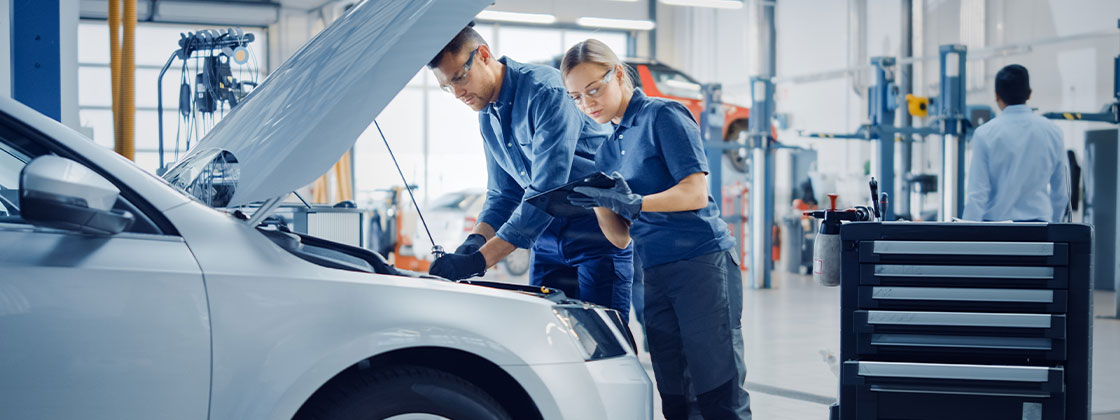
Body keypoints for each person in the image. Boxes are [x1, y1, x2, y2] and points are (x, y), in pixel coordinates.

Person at [561, 39, 751, 419]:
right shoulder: (607, 150)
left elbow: (695, 192)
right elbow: (620, 236)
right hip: (655, 271)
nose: (588, 104)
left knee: (716, 384)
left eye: (594, 90)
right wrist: (596, 200)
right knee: (674, 390)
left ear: (617, 74)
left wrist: (636, 202)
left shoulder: (663, 115)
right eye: (577, 98)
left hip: (701, 262)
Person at [425, 24, 633, 320]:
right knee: (549, 339)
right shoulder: (487, 116)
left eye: (460, 77)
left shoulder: (546, 92)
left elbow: (545, 190)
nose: (458, 92)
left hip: (596, 236)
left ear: (483, 55)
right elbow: (503, 193)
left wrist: (478, 262)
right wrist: (474, 242)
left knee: (605, 341)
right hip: (545, 241)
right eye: (448, 86)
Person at [963, 64, 1070, 222]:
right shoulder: (1053, 132)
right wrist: (1055, 226)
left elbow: (977, 194)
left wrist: (966, 235)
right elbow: (1061, 191)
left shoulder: (984, 134)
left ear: (996, 96)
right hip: (1039, 230)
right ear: (1029, 94)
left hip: (997, 232)